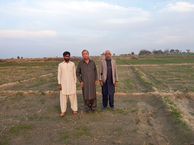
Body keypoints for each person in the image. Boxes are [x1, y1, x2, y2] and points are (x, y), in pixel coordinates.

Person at [57, 51, 78, 117]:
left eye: (68, 56)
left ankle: (74, 110)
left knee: (73, 97)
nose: (67, 57)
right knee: (63, 99)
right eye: (66, 56)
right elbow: (59, 75)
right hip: (63, 84)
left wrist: (75, 82)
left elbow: (74, 74)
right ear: (63, 57)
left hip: (72, 84)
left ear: (69, 57)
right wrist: (59, 84)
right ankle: (63, 111)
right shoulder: (60, 65)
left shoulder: (72, 64)